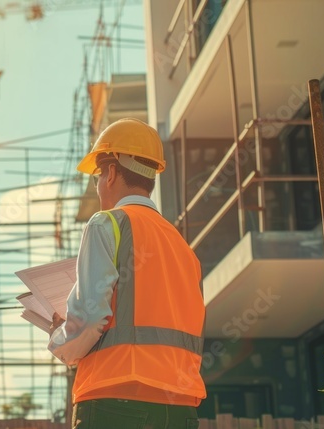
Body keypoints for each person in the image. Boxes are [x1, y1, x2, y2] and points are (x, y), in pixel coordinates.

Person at [48, 118, 206, 428]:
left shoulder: (107, 223)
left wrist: (60, 340)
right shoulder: (182, 247)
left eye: (97, 175)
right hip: (180, 406)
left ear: (109, 174)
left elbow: (91, 317)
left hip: (116, 399)